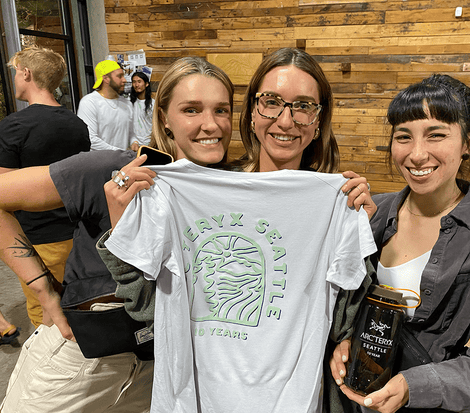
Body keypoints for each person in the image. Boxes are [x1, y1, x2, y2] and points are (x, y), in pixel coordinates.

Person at [101, 47, 377, 413]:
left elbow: (344, 323)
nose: (285, 119)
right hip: (196, 396)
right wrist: (123, 226)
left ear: (318, 120)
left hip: (287, 400)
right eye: (271, 101)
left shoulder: (335, 198)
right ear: (251, 113)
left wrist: (358, 231)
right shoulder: (190, 190)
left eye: (303, 106)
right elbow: (152, 312)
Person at [0, 57, 238, 413]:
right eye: (191, 110)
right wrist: (41, 288)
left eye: (222, 110)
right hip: (79, 362)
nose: (211, 124)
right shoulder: (107, 170)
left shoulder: (229, 189)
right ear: (164, 120)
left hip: (162, 371)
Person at [328, 75, 470, 413]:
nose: (416, 154)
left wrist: (416, 386)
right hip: (349, 399)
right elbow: (339, 304)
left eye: (436, 135)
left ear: (469, 142)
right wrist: (344, 341)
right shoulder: (373, 213)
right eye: (403, 137)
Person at [0, 46, 90, 328]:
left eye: (16, 72)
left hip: (37, 239)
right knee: (81, 306)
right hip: (80, 234)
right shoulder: (77, 124)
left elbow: (4, 194)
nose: (15, 78)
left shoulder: (13, 126)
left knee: (46, 316)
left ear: (26, 73)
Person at [77, 60, 139, 151]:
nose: (124, 80)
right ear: (106, 78)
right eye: (119, 76)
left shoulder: (127, 104)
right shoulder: (89, 102)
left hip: (124, 161)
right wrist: (120, 152)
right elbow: (91, 139)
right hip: (100, 163)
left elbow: (131, 133)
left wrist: (134, 142)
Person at [130, 71, 154, 148]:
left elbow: (157, 126)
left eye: (139, 82)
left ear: (146, 84)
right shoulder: (129, 103)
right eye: (134, 82)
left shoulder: (153, 104)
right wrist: (133, 141)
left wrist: (153, 142)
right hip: (134, 144)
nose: (136, 85)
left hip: (150, 144)